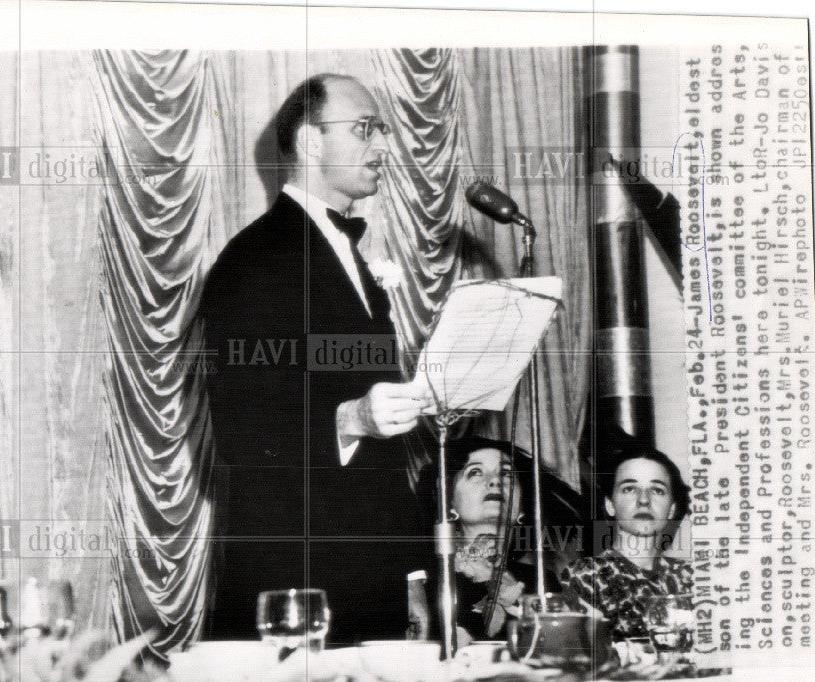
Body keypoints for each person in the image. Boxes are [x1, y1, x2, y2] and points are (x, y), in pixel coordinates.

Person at [199, 73, 433, 645]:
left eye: (382, 130)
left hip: (371, 586)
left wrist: (412, 574)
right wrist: (352, 419)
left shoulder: (354, 259)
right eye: (364, 129)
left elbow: (387, 452)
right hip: (293, 586)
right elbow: (243, 433)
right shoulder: (251, 261)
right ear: (309, 143)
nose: (383, 146)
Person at [421, 436, 586, 641]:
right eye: (475, 472)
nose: (495, 481)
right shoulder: (425, 578)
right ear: (449, 501)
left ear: (522, 506)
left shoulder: (542, 582)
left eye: (506, 473)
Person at [559, 443, 692, 641]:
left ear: (671, 509)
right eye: (630, 489)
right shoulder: (584, 576)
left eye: (657, 490)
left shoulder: (690, 576)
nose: (644, 500)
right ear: (610, 505)